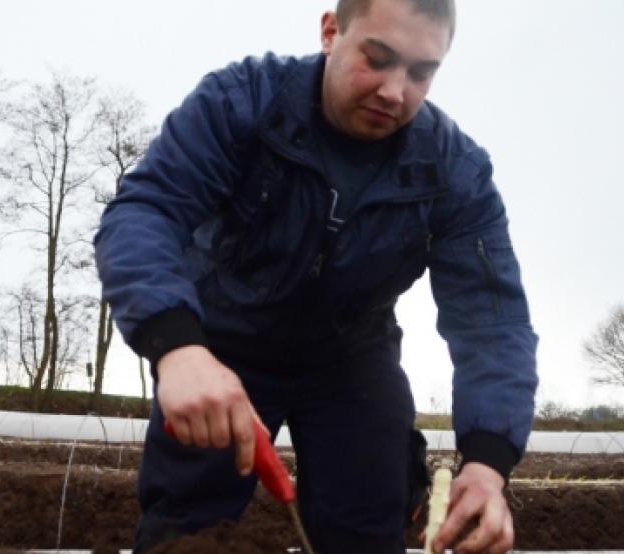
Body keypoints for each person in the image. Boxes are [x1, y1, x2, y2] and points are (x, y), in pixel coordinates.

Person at [94, 0, 538, 552]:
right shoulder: (241, 101)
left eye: (421, 73)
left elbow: (493, 322)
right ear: (331, 32)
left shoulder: (456, 172)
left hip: (350, 358)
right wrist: (177, 346)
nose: (395, 92)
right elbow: (147, 211)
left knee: (368, 522)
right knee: (187, 523)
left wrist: (489, 462)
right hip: (221, 343)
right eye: (377, 59)